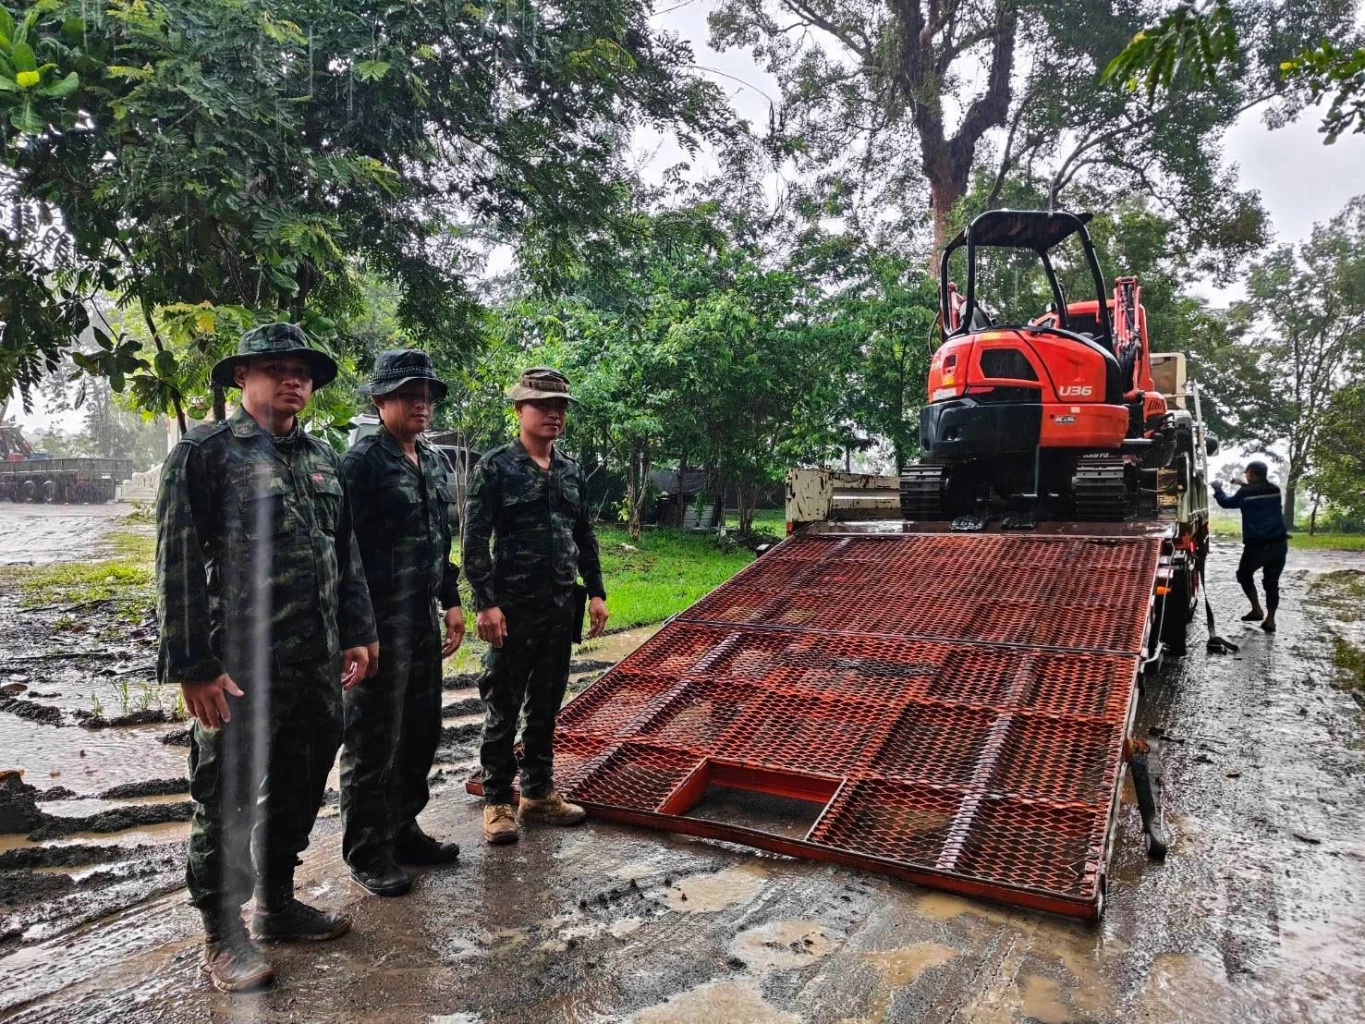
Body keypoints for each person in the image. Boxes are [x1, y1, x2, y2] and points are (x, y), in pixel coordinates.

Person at [157, 324, 378, 992]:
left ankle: (276, 904)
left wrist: (359, 630)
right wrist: (193, 664)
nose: (294, 380)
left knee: (300, 783)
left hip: (314, 661)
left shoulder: (320, 454)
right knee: (224, 798)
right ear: (241, 378)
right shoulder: (205, 453)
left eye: (304, 371)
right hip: (239, 667)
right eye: (278, 368)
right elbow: (176, 564)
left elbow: (344, 550)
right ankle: (222, 935)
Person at [462, 367, 609, 845]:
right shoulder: (496, 467)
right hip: (513, 608)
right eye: (543, 404)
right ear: (519, 409)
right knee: (502, 704)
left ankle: (539, 792)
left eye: (561, 406)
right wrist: (486, 603)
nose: (553, 413)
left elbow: (583, 534)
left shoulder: (570, 471)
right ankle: (499, 800)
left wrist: (598, 592)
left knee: (546, 703)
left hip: (560, 606)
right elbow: (474, 540)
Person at [339, 351, 465, 897]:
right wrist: (354, 631)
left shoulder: (433, 460)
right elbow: (342, 552)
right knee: (373, 738)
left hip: (421, 621)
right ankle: (367, 850)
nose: (422, 403)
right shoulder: (361, 462)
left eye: (428, 395)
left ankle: (402, 828)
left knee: (419, 732)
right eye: (410, 394)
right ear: (380, 400)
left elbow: (440, 539)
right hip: (376, 628)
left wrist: (451, 598)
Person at [1213, 460, 1289, 633]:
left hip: (1257, 546)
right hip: (1279, 544)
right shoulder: (1274, 490)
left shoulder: (1246, 492)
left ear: (1252, 474)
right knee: (1272, 583)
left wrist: (1218, 488)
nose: (1245, 476)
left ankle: (1256, 609)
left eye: (1247, 473)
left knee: (1244, 575)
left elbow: (1227, 502)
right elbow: (1256, 492)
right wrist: (1242, 484)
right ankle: (1270, 620)